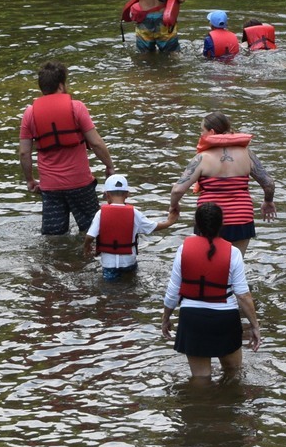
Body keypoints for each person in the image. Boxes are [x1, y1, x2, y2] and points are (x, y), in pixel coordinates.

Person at [161, 203, 262, 380]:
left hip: (192, 319)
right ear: (221, 225)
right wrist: (254, 326)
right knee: (234, 373)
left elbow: (173, 292)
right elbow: (243, 295)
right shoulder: (233, 253)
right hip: (225, 320)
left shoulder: (183, 250)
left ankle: (200, 406)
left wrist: (166, 319)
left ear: (197, 225)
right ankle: (227, 405)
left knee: (200, 379)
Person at [18, 60, 114, 236]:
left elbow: (24, 152)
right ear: (61, 85)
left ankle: (56, 263)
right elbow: (96, 143)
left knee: (54, 239)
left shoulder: (29, 114)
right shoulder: (76, 107)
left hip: (51, 189)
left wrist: (30, 180)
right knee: (93, 233)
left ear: (42, 88)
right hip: (81, 185)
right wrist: (109, 165)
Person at [168, 113, 274, 252]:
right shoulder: (246, 154)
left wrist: (174, 206)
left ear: (211, 132)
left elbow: (178, 190)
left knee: (209, 264)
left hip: (209, 219)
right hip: (241, 217)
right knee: (236, 263)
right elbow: (268, 184)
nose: (201, 134)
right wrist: (268, 202)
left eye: (202, 130)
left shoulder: (202, 157)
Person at [85, 174, 168, 280]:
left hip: (109, 264)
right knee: (131, 283)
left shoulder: (100, 214)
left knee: (109, 291)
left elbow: (90, 236)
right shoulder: (134, 213)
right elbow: (153, 227)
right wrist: (170, 221)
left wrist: (86, 247)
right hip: (128, 261)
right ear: (127, 194)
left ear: (106, 194)